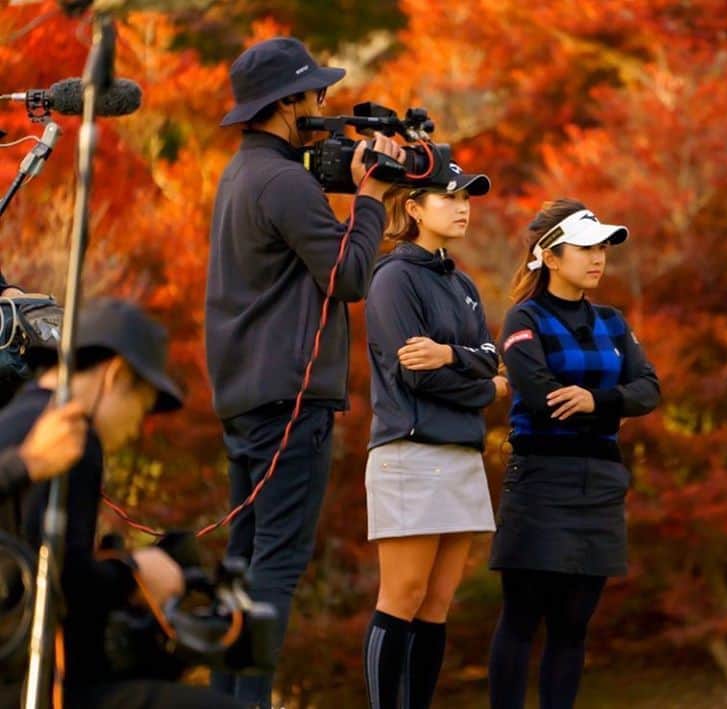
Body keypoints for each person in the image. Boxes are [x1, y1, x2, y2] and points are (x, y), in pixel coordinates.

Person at [204, 36, 405, 707]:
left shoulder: (242, 174)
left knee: (243, 561)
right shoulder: (286, 182)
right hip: (290, 398)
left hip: (245, 394)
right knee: (277, 565)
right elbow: (348, 275)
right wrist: (370, 199)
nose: (323, 103)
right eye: (316, 93)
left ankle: (227, 697)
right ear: (288, 103)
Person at [0, 297, 245, 708]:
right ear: (115, 375)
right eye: (141, 407)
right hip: (37, 688)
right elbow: (67, 582)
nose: (135, 428)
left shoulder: (16, 417)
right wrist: (134, 575)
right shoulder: (73, 438)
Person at [487, 200, 661, 709]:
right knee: (522, 617)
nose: (598, 257)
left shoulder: (612, 321)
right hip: (540, 480)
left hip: (601, 482)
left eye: (602, 248)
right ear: (551, 257)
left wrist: (595, 401)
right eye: (585, 248)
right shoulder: (525, 317)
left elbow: (649, 388)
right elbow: (542, 396)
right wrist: (614, 407)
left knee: (573, 623)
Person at [362, 163, 509, 708]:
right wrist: (484, 388)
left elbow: (492, 354)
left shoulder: (462, 283)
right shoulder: (393, 277)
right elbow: (417, 377)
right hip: (411, 451)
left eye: (467, 198)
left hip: (461, 453)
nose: (463, 207)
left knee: (437, 602)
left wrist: (450, 354)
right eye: (449, 197)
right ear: (414, 209)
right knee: (403, 595)